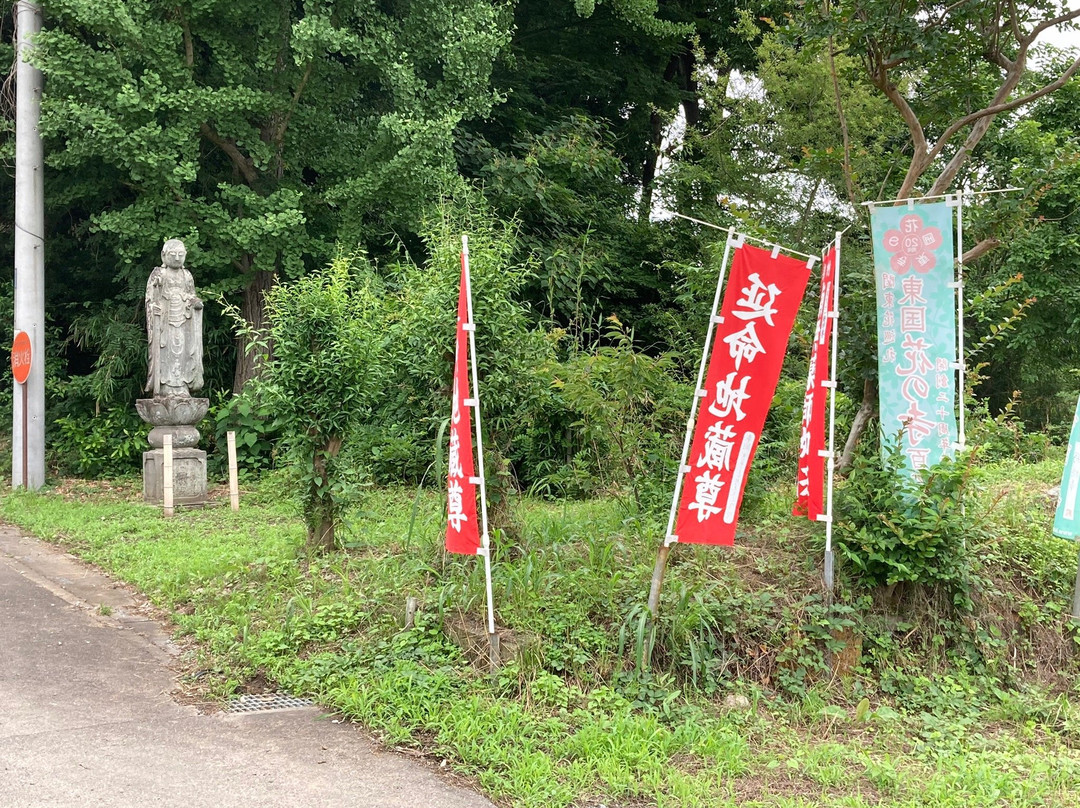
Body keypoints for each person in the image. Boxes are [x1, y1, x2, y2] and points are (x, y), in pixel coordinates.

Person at [145, 239, 203, 397]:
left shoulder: (187, 275)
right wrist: (153, 307)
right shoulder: (159, 274)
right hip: (164, 323)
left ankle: (182, 387)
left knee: (184, 353)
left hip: (184, 321)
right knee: (166, 352)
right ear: (164, 256)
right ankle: (165, 387)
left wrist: (196, 303)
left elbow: (191, 295)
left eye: (181, 254)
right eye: (173, 254)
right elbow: (151, 299)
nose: (177, 258)